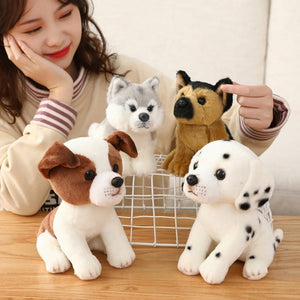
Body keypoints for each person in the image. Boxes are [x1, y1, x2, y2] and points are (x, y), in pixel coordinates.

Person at [0, 0, 290, 216]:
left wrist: (252, 123)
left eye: (65, 14)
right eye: (34, 28)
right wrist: (60, 94)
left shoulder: (126, 77)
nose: (57, 37)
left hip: (138, 248)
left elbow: (201, 140)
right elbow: (19, 199)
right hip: (40, 258)